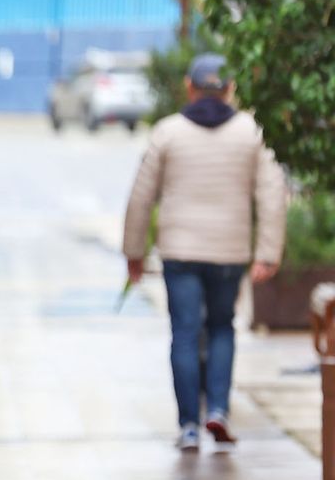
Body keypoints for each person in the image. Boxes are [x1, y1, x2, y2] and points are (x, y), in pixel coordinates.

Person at [121, 54, 286, 452]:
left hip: (179, 251)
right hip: (229, 252)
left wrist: (134, 252)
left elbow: (141, 197)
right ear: (229, 89)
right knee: (222, 327)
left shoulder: (168, 133)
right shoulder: (250, 133)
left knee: (184, 332)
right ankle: (218, 410)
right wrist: (267, 252)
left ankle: (188, 426)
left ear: (189, 87)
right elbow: (272, 193)